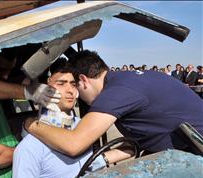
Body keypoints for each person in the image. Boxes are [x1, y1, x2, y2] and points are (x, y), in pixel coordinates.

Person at [25, 50, 203, 157]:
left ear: (84, 80)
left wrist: (29, 123)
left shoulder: (115, 93)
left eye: (75, 85)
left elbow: (73, 144)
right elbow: (147, 134)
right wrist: (104, 158)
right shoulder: (131, 79)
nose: (76, 94)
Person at [13, 59, 131, 178]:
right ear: (44, 87)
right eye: (61, 84)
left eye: (74, 84)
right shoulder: (30, 147)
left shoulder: (85, 126)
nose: (70, 90)